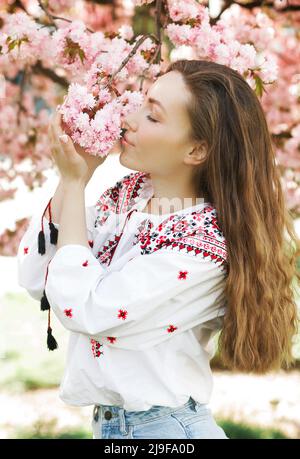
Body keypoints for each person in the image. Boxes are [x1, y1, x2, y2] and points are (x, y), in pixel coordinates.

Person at [17, 59, 299, 440]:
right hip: (115, 427)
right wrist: (75, 179)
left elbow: (83, 309)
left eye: (152, 116)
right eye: (141, 103)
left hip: (166, 430)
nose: (130, 120)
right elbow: (38, 277)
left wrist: (74, 182)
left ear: (196, 150)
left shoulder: (202, 248)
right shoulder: (131, 196)